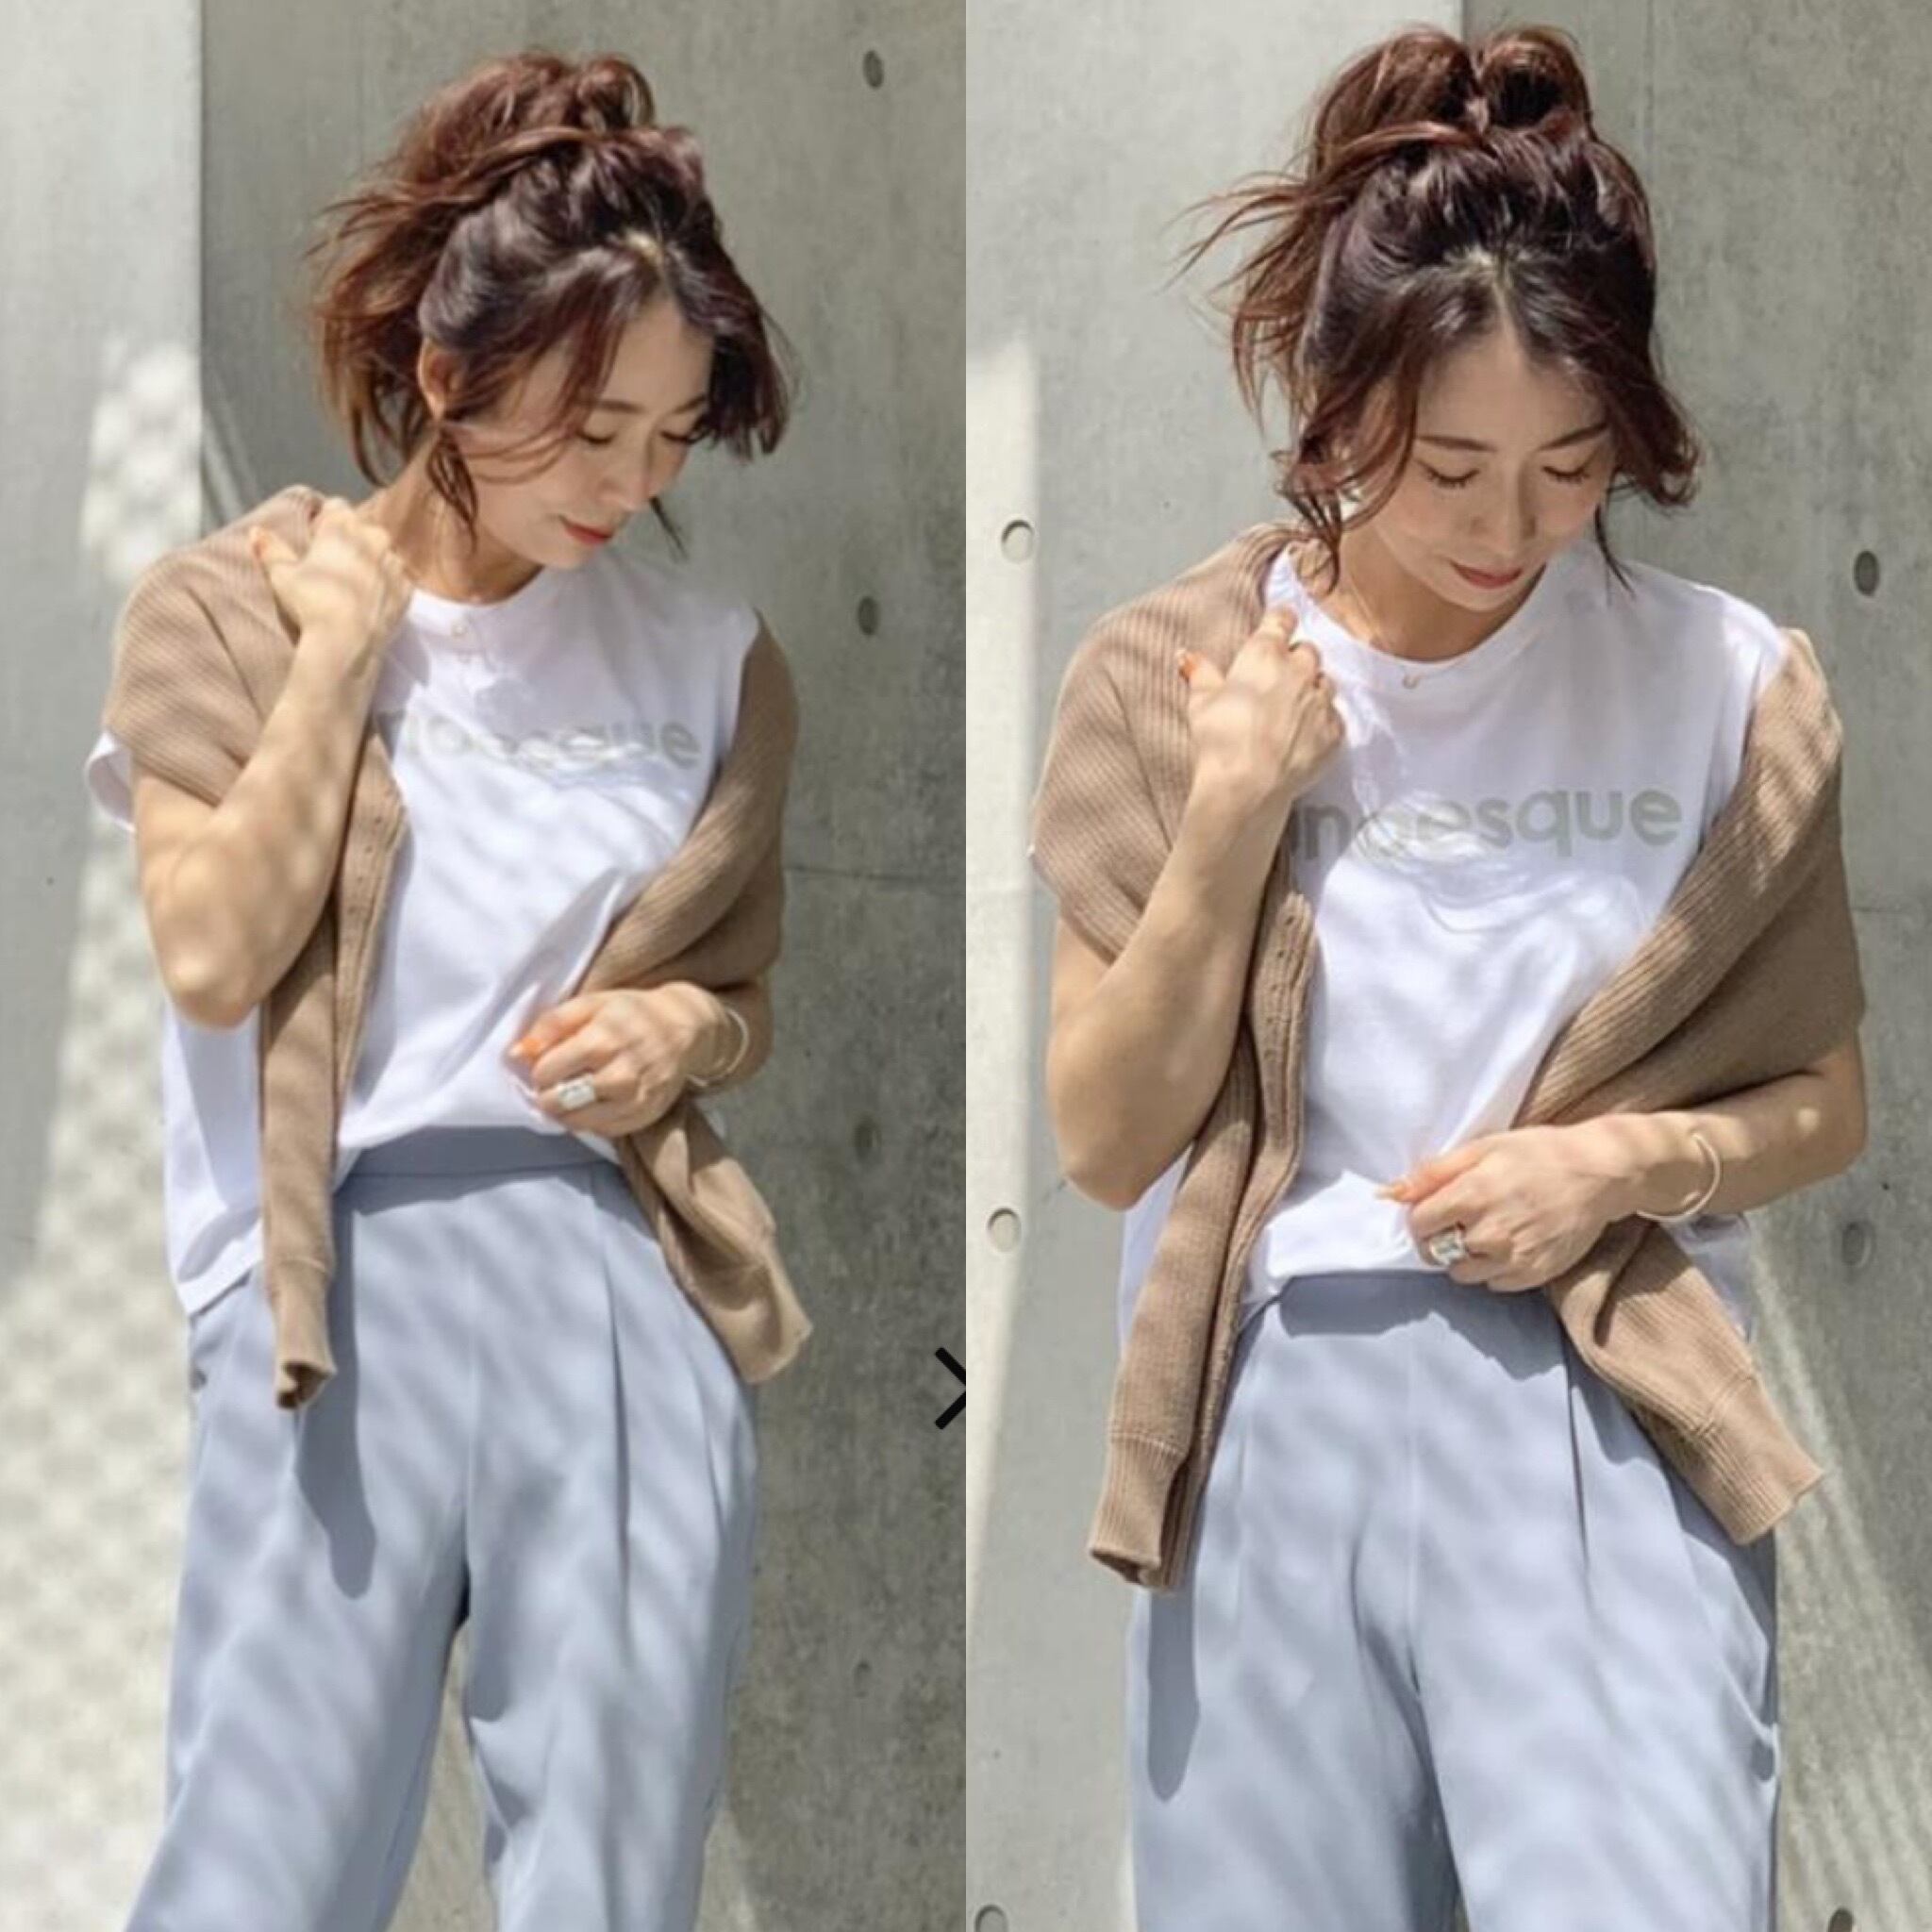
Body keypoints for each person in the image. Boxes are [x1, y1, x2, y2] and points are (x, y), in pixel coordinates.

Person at [1031, 25, 1867, 1932]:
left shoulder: (1729, 688)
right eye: (1451, 467)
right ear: (1336, 413)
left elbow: (1825, 1101)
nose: (1510, 530)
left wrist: (1613, 1164)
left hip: (1605, 1408)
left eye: (1571, 466)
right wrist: (1236, 808)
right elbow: (1103, 1136)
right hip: (1272, 1415)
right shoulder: (1167, 671)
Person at [85, 48, 799, 1931]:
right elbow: (211, 954)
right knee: (256, 1874)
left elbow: (737, 991)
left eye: (671, 434)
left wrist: (685, 1031)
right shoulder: (227, 608)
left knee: (611, 1884)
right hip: (331, 1289)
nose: (629, 483)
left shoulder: (714, 662)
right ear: (446, 372)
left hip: (617, 1291)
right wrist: (341, 662)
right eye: (588, 427)